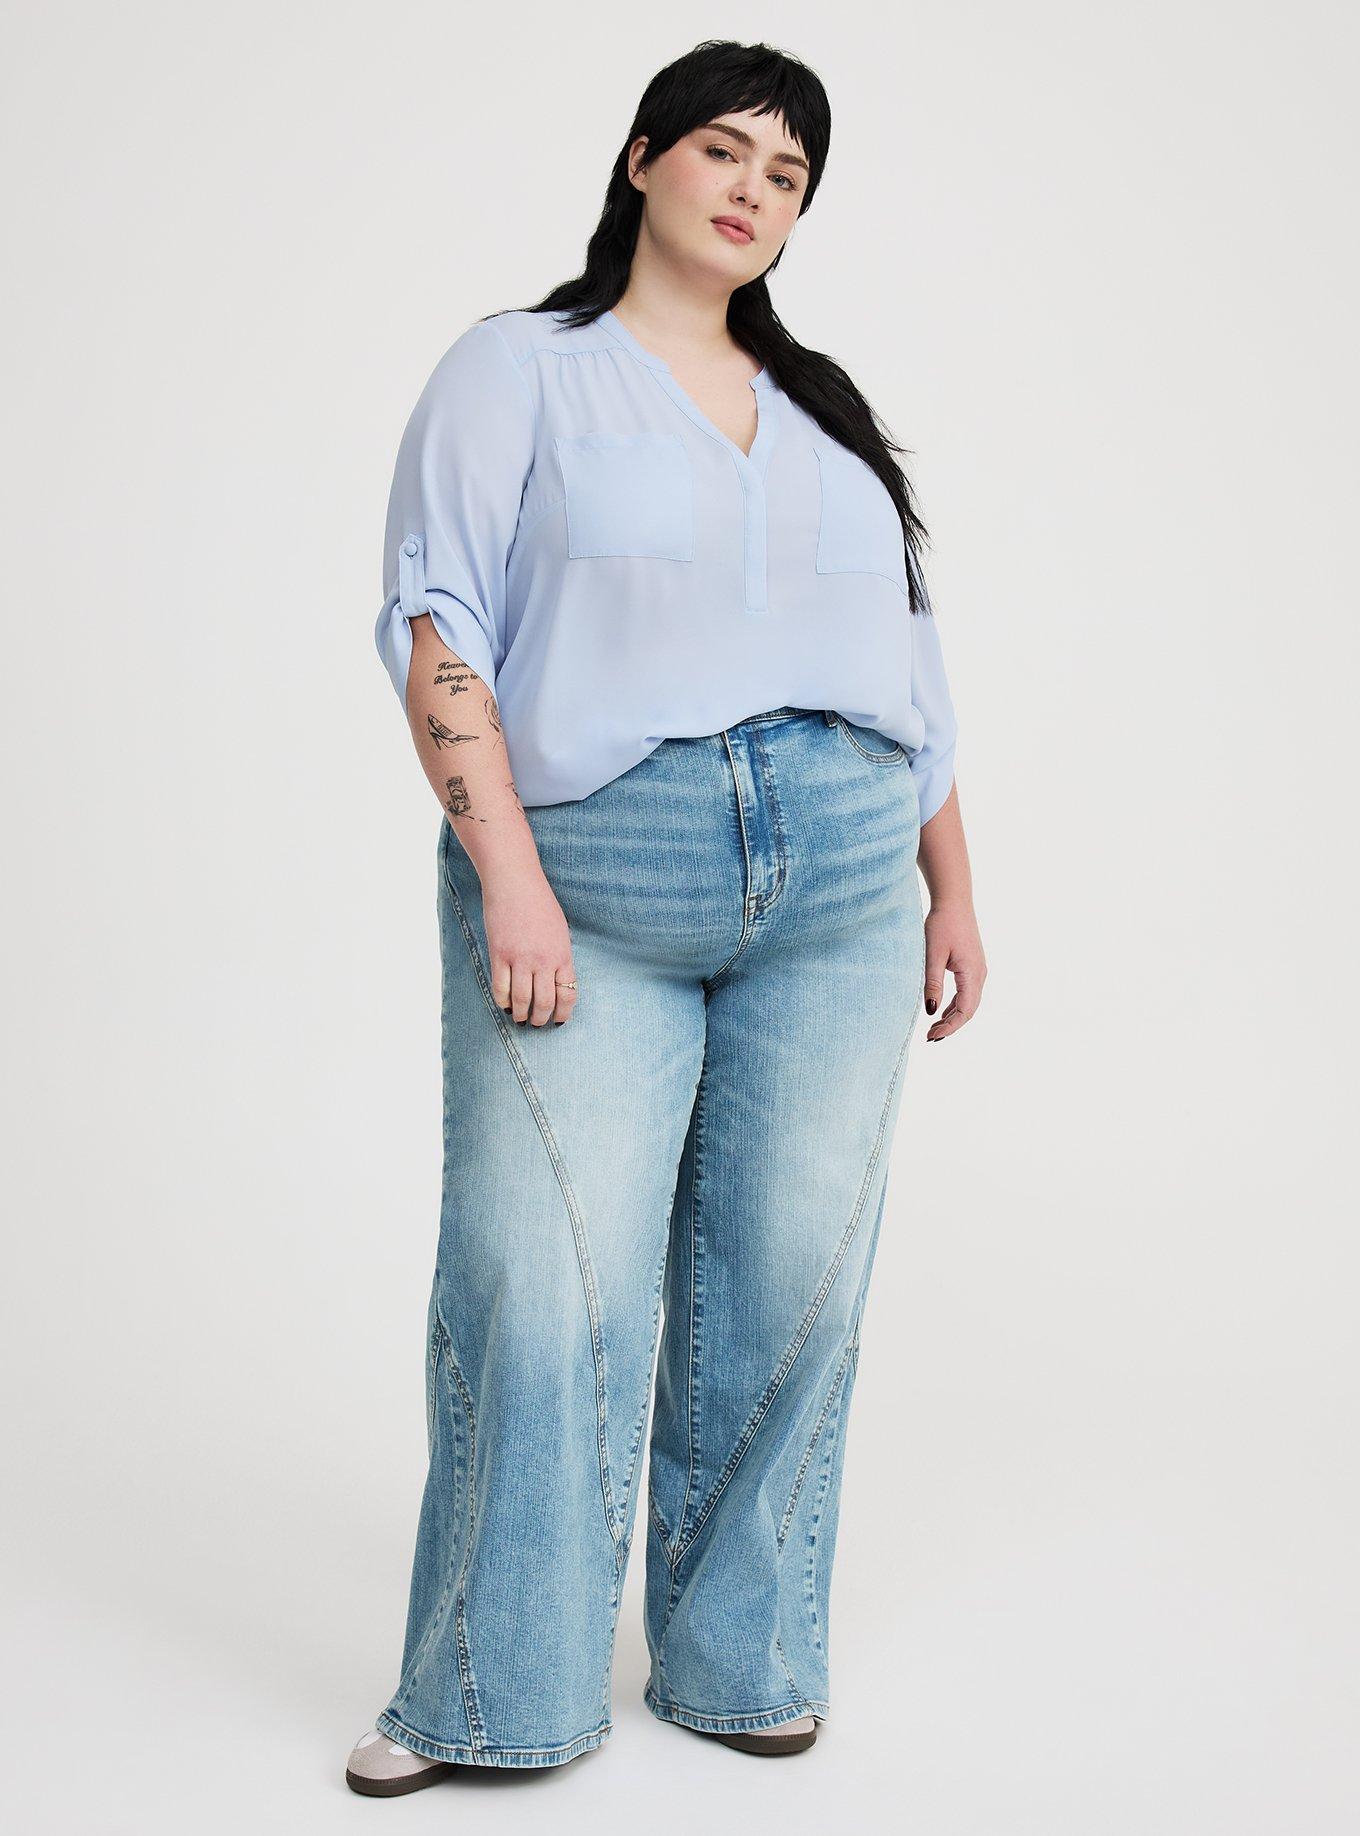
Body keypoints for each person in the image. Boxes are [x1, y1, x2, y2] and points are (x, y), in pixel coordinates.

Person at [345, 38, 986, 1794]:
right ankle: (487, 1692)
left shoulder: (827, 410)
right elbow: (440, 629)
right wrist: (510, 877)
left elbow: (908, 666)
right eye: (723, 150)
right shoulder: (521, 370)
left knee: (790, 1286)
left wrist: (953, 884)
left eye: (788, 176)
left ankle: (740, 1661)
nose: (752, 191)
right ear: (642, 159)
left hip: (844, 886)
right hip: (595, 878)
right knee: (537, 1280)